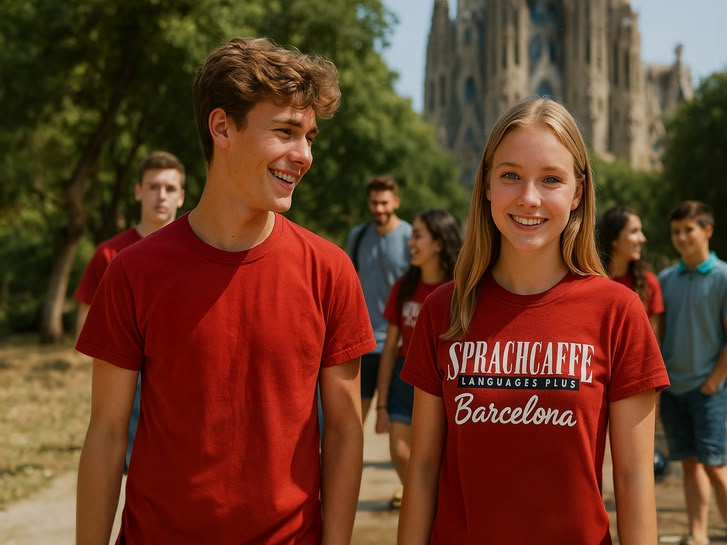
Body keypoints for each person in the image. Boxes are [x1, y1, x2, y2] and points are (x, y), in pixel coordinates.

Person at [75, 37, 375, 545]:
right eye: (285, 131)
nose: (302, 154)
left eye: (310, 137)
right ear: (222, 128)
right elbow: (105, 435)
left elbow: (345, 434)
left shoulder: (331, 271)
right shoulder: (132, 272)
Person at [397, 97, 670, 545]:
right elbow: (424, 468)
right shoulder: (443, 311)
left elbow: (634, 478)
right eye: (510, 176)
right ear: (485, 184)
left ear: (577, 192)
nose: (528, 198)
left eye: (550, 179)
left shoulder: (617, 312)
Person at [73, 149, 186, 472]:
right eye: (152, 187)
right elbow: (86, 327)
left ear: (182, 196)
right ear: (138, 191)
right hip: (130, 386)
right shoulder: (109, 254)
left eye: (169, 188)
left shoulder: (201, 249)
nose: (160, 196)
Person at [374, 208, 462, 509]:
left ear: (438, 243)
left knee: (439, 456)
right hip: (404, 374)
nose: (410, 242)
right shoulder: (404, 287)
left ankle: (433, 511)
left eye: (418, 236)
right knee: (399, 449)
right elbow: (390, 348)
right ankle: (422, 505)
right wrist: (382, 403)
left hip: (446, 380)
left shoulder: (461, 290)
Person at [658, 200, 727, 545]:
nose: (682, 237)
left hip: (708, 389)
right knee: (688, 464)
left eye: (689, 230)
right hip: (673, 390)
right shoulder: (666, 279)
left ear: (707, 231)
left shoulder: (723, 277)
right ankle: (698, 535)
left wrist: (713, 383)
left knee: (716, 466)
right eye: (676, 232)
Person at [346, 176, 412, 422]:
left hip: (398, 345)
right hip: (363, 341)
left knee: (398, 424)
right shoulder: (358, 236)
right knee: (353, 420)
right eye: (374, 203)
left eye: (384, 203)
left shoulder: (411, 237)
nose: (379, 209)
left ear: (395, 202)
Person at [597, 205, 664, 339]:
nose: (642, 239)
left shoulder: (649, 283)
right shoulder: (589, 281)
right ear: (614, 239)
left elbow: (653, 343)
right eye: (634, 231)